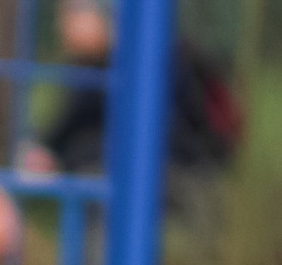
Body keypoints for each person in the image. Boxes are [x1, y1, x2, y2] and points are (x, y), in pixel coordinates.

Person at [21, 0, 241, 176]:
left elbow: (153, 134)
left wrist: (53, 155)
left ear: (102, 16)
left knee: (91, 158)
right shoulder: (98, 65)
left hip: (178, 166)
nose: (60, 25)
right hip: (161, 163)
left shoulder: (145, 64)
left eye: (71, 13)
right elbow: (72, 123)